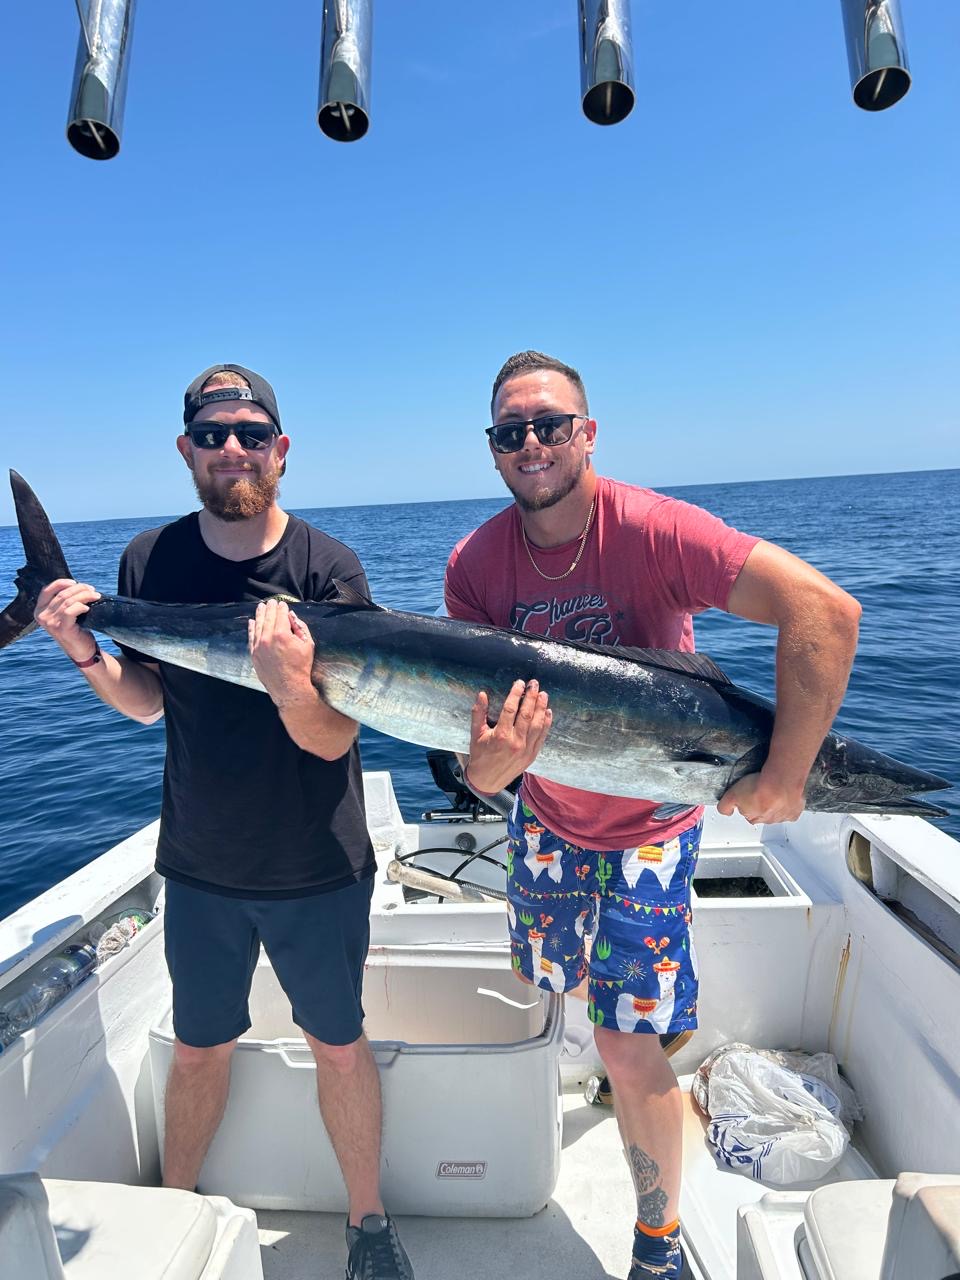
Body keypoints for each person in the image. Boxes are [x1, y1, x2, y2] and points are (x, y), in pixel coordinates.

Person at [444, 350, 861, 1280]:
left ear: (587, 433)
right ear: (494, 450)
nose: (533, 445)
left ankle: (659, 1243)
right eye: (512, 432)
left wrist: (788, 772)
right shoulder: (474, 565)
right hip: (545, 826)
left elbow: (825, 612)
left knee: (626, 1048)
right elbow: (476, 753)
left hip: (650, 832)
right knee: (556, 991)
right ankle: (640, 1038)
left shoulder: (656, 528)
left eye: (551, 425)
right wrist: (491, 773)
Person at [34, 363, 415, 1280]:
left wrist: (289, 685)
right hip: (200, 862)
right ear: (187, 451)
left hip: (317, 862)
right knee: (201, 1047)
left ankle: (368, 1225)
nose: (232, 449)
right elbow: (146, 701)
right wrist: (81, 645)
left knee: (338, 1042)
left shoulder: (329, 570)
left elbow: (332, 740)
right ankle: (173, 1212)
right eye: (212, 435)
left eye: (250, 433)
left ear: (280, 450)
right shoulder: (148, 563)